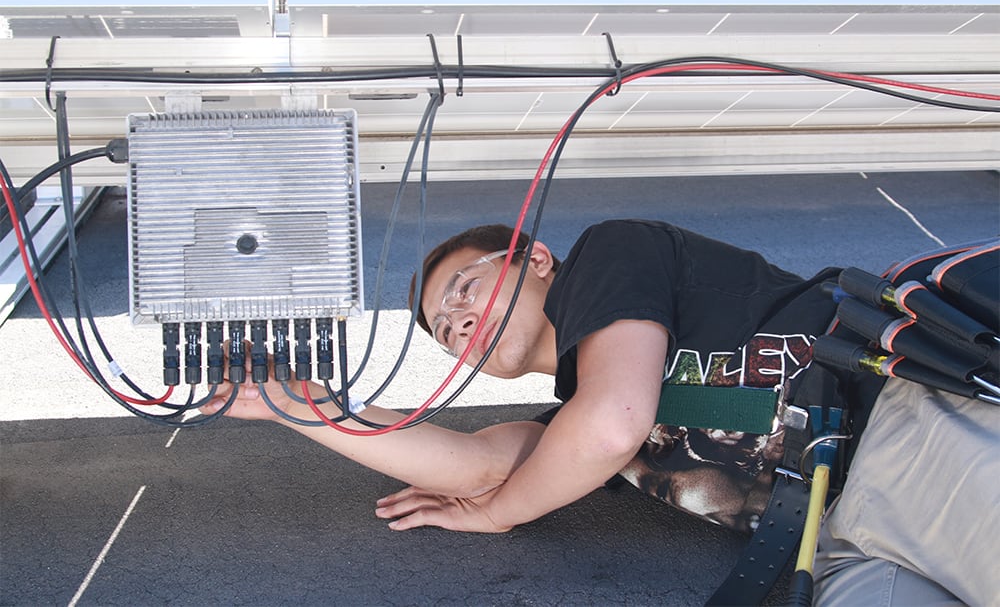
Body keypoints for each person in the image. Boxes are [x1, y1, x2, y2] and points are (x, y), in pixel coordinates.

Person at [201, 219, 998, 606]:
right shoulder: (572, 422)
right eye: (445, 331)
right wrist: (302, 410)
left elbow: (615, 418)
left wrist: (500, 514)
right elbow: (478, 461)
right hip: (844, 541)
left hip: (900, 432)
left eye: (464, 292)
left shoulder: (613, 254)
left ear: (533, 256)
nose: (458, 328)